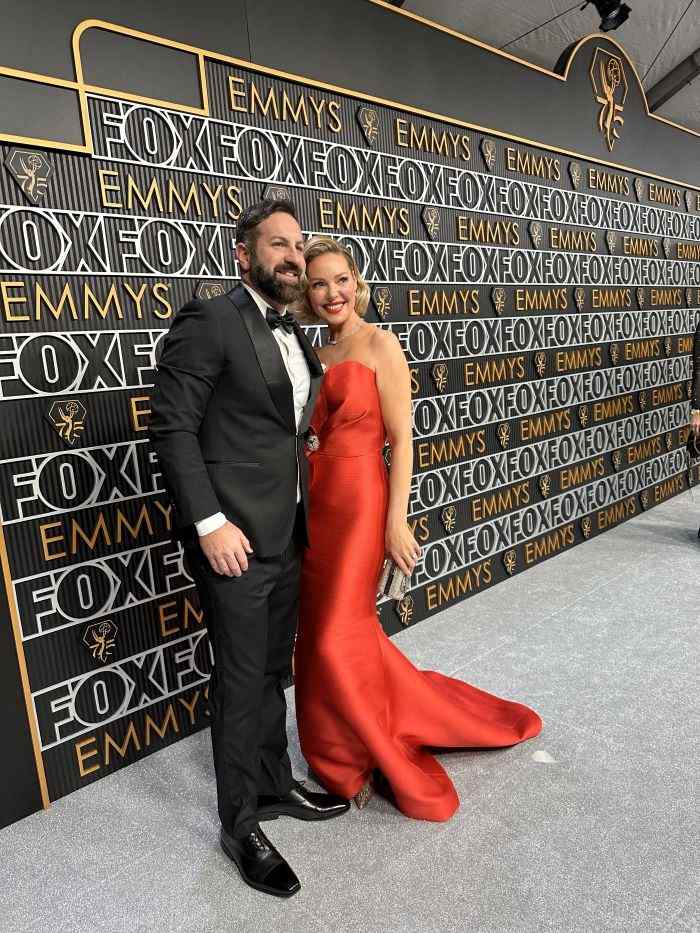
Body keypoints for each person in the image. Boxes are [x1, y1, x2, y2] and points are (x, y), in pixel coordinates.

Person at [293, 235, 542, 821]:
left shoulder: (381, 343)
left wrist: (395, 522)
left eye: (341, 279)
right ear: (306, 293)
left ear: (358, 283)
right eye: (318, 283)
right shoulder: (310, 355)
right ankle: (334, 758)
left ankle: (364, 749)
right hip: (314, 504)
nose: (332, 293)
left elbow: (402, 441)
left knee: (337, 634)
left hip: (360, 504)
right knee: (319, 637)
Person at [149, 201, 349, 899]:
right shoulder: (210, 320)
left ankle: (271, 783)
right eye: (277, 244)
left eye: (299, 245)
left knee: (269, 670)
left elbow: (281, 429)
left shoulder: (296, 330)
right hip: (232, 539)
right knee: (238, 680)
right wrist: (208, 523)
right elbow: (172, 428)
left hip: (286, 532)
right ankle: (241, 826)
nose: (293, 257)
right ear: (242, 253)